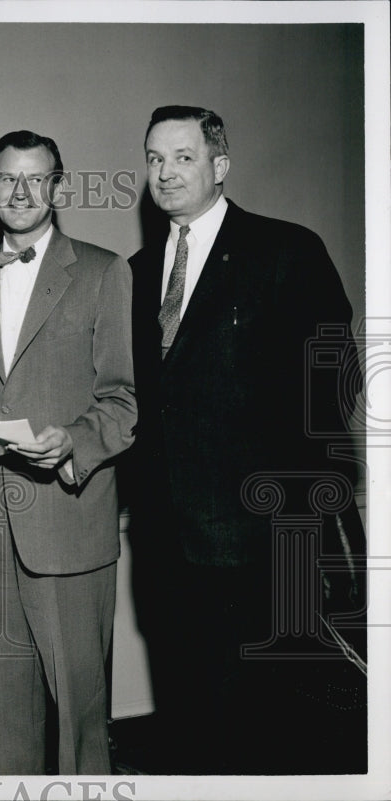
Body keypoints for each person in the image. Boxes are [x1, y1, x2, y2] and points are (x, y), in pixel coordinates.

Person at [128, 105, 365, 774]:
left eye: (182, 157)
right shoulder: (138, 271)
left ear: (220, 166)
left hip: (260, 540)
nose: (165, 172)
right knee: (190, 714)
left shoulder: (286, 251)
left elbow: (331, 385)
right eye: (153, 158)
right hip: (167, 544)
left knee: (270, 722)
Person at [0, 130, 136, 774]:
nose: (20, 192)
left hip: (67, 519)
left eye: (36, 179)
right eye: (7, 179)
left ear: (58, 186)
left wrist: (72, 442)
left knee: (80, 710)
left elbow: (124, 401)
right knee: (6, 713)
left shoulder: (105, 272)